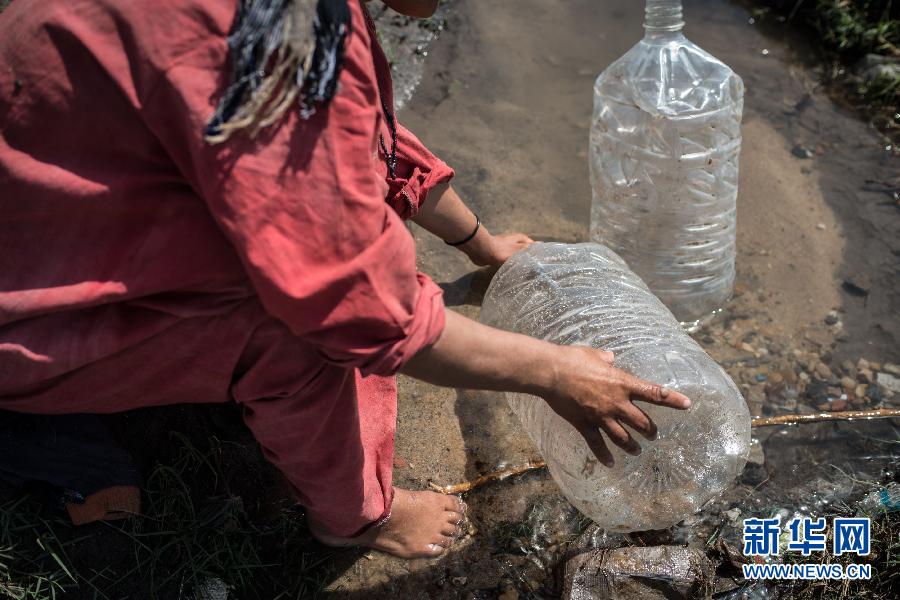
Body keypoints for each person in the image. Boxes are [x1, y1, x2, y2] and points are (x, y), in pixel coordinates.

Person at [0, 0, 692, 560]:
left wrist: (480, 246)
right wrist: (556, 373)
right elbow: (364, 313)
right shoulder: (258, 48)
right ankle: (356, 519)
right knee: (296, 325)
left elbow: (363, 137)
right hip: (27, 331)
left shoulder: (287, 16)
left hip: (57, 243)